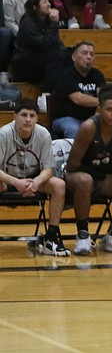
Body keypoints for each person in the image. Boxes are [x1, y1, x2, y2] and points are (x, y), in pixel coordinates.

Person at [65, 89, 112, 255]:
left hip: (104, 178)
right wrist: (102, 168)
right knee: (85, 180)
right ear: (99, 110)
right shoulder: (88, 127)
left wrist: (100, 168)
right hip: (79, 177)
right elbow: (72, 164)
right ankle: (83, 235)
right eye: (109, 110)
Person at [0, 98, 69, 256]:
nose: (28, 119)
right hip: (7, 179)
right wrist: (16, 182)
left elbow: (49, 169)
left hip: (33, 179)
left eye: (32, 115)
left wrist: (36, 182)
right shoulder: (3, 134)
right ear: (15, 116)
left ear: (37, 118)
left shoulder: (43, 134)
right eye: (24, 115)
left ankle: (51, 237)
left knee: (59, 185)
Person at [50, 41, 105, 138]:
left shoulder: (98, 75)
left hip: (91, 117)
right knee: (74, 129)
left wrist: (97, 113)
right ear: (74, 57)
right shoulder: (66, 75)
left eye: (91, 54)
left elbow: (103, 95)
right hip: (66, 118)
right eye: (84, 53)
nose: (88, 57)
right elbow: (78, 99)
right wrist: (103, 102)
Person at [10, 0, 66, 87]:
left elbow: (56, 43)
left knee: (67, 54)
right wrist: (54, 24)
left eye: (48, 1)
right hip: (24, 65)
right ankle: (48, 92)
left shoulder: (46, 21)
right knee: (57, 57)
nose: (49, 4)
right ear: (35, 7)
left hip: (39, 61)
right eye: (45, 2)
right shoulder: (27, 23)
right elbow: (45, 44)